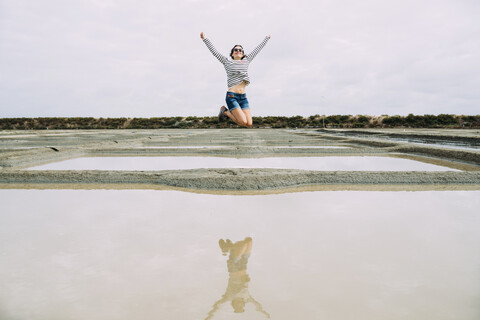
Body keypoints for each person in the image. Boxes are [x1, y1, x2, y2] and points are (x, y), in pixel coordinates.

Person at [200, 32, 270, 127]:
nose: (238, 51)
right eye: (235, 50)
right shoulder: (226, 62)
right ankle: (225, 111)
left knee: (249, 124)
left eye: (240, 50)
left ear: (243, 54)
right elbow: (214, 52)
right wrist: (205, 39)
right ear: (232, 53)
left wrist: (266, 38)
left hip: (243, 97)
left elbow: (257, 49)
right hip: (232, 96)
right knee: (242, 122)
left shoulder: (247, 60)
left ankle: (225, 112)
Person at [205, 237, 270, 319]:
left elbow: (217, 306)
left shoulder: (229, 297)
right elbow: (258, 306)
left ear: (234, 304)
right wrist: (266, 315)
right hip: (243, 266)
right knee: (248, 241)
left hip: (234, 268)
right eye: (241, 307)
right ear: (243, 305)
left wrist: (208, 317)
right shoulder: (247, 297)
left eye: (237, 307)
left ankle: (229, 248)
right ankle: (229, 247)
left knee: (242, 246)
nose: (239, 305)